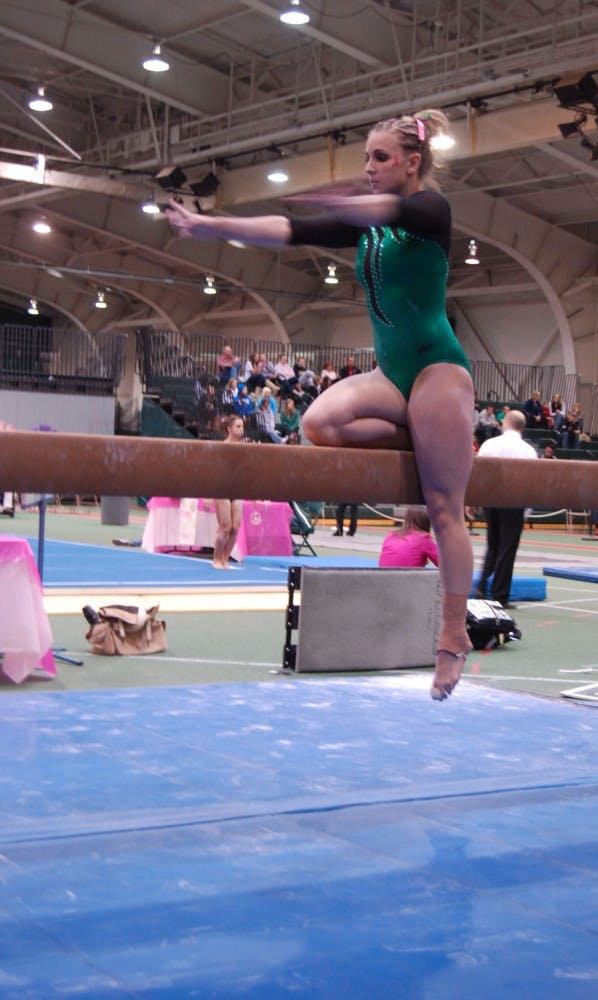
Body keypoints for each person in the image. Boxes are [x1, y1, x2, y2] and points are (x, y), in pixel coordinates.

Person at [165, 107, 476, 703]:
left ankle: (452, 632)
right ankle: (433, 444)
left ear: (413, 162)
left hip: (438, 368)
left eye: (380, 159)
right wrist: (210, 226)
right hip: (393, 375)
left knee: (443, 506)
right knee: (317, 423)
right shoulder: (370, 227)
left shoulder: (431, 210)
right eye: (365, 160)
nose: (369, 169)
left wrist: (345, 203)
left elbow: (387, 209)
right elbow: (287, 229)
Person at [474, 410, 538, 608]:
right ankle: (500, 595)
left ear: (506, 424)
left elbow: (479, 473)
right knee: (507, 549)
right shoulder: (528, 451)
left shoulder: (490, 444)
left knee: (493, 545)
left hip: (492, 499)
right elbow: (532, 484)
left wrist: (475, 499)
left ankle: (481, 588)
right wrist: (528, 510)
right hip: (514, 502)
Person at [212, 415, 246, 568]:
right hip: (221, 488)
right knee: (225, 527)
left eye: (242, 426)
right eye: (238, 426)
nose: (241, 429)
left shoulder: (244, 449)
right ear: (229, 429)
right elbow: (213, 471)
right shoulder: (222, 447)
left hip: (237, 488)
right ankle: (216, 559)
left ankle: (225, 559)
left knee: (235, 528)